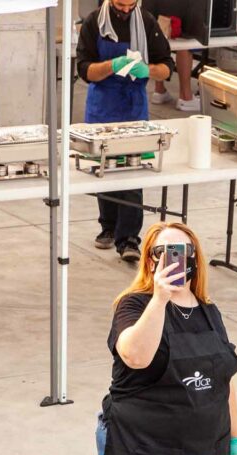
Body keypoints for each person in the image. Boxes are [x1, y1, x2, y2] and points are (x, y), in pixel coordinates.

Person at [95, 222, 237, 455]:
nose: (175, 258)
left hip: (207, 454)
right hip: (140, 452)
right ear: (150, 262)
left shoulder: (209, 311)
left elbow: (225, 382)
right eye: (162, 251)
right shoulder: (133, 305)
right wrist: (160, 298)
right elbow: (135, 356)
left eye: (183, 250)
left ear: (195, 258)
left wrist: (236, 442)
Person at [77, 0, 176, 262]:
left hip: (133, 106)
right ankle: (108, 226)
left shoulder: (146, 22)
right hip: (103, 105)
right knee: (105, 167)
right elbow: (84, 70)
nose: (125, 11)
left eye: (130, 6)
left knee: (133, 169)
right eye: (120, 5)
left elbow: (167, 67)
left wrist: (148, 70)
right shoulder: (93, 23)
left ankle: (129, 238)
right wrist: (111, 65)